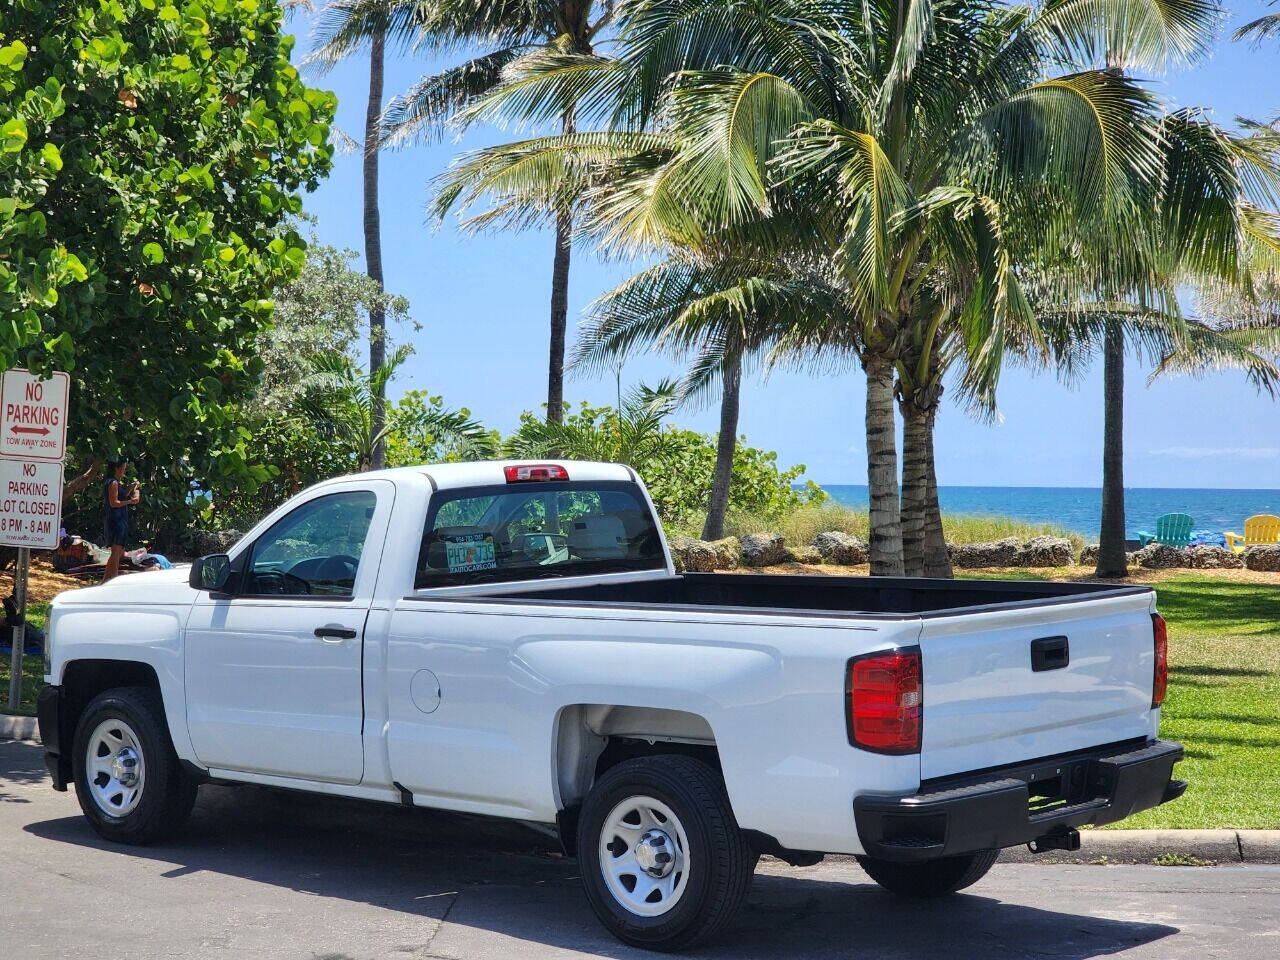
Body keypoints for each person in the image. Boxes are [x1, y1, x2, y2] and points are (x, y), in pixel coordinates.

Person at [102, 459, 140, 582]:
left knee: (116, 553)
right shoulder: (113, 483)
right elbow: (114, 503)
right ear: (117, 468)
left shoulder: (114, 482)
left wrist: (132, 487)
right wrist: (130, 501)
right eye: (123, 468)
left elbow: (120, 495)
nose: (124, 470)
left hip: (118, 519)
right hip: (116, 520)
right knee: (116, 553)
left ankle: (105, 580)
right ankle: (113, 579)